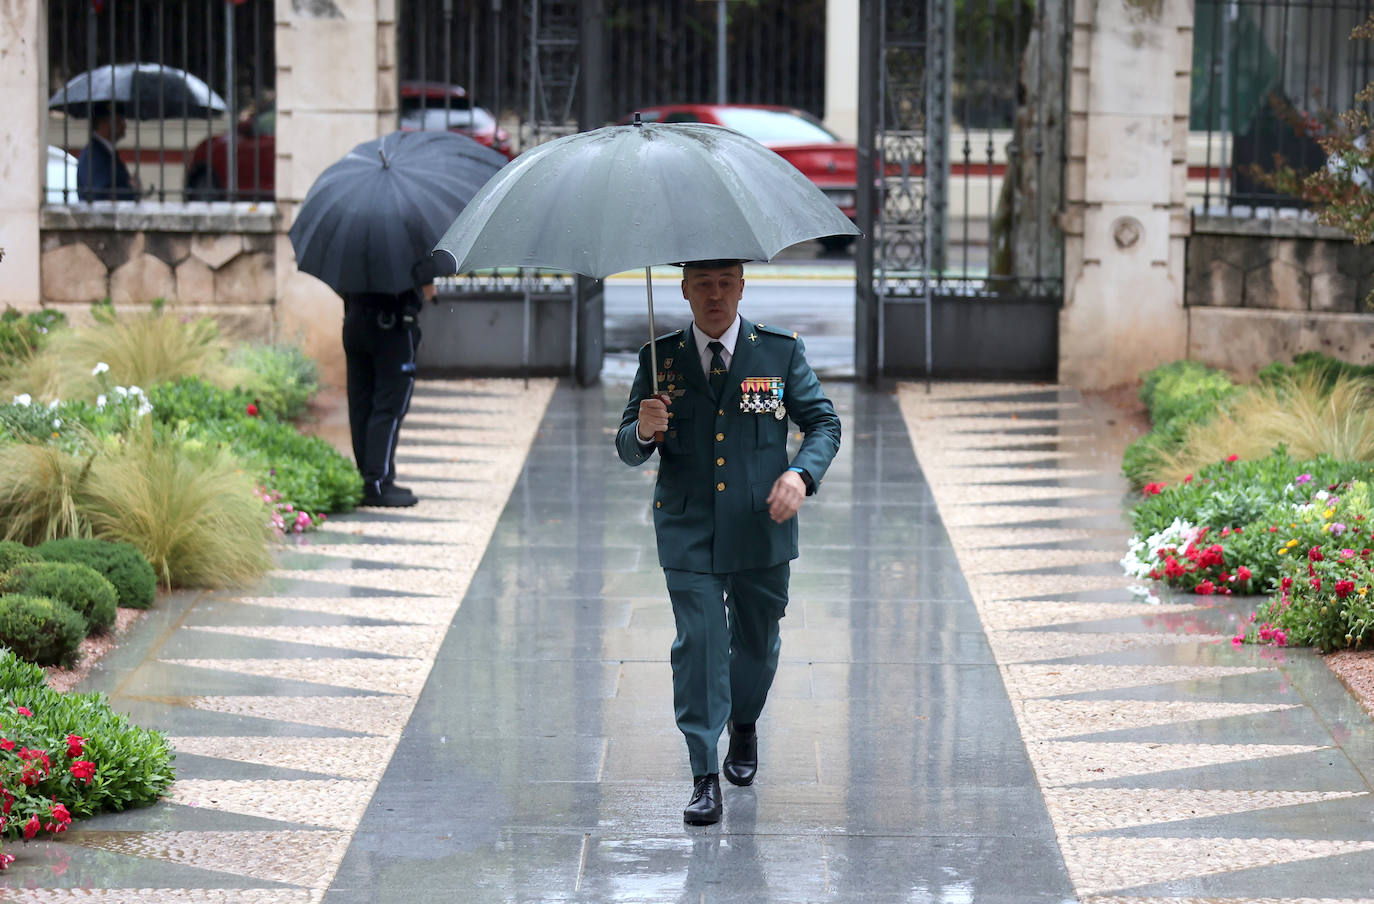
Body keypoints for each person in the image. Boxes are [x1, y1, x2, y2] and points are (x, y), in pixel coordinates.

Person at [615, 259, 841, 826]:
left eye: (725, 284)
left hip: (760, 525)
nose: (715, 296)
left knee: (757, 645)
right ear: (685, 289)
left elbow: (824, 424)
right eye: (703, 284)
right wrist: (643, 429)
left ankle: (744, 723)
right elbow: (627, 446)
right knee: (701, 643)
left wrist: (800, 475)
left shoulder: (779, 352)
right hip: (687, 527)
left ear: (741, 287)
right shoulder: (659, 358)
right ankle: (702, 771)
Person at [342, 258, 440, 507]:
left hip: (355, 321)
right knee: (389, 405)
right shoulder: (406, 239)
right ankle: (377, 482)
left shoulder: (355, 235)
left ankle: (369, 478)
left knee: (361, 403)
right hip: (391, 326)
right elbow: (427, 290)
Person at [76, 110, 140, 202]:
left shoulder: (104, 151)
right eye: (118, 121)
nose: (124, 126)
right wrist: (130, 189)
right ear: (103, 123)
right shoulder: (94, 154)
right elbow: (99, 195)